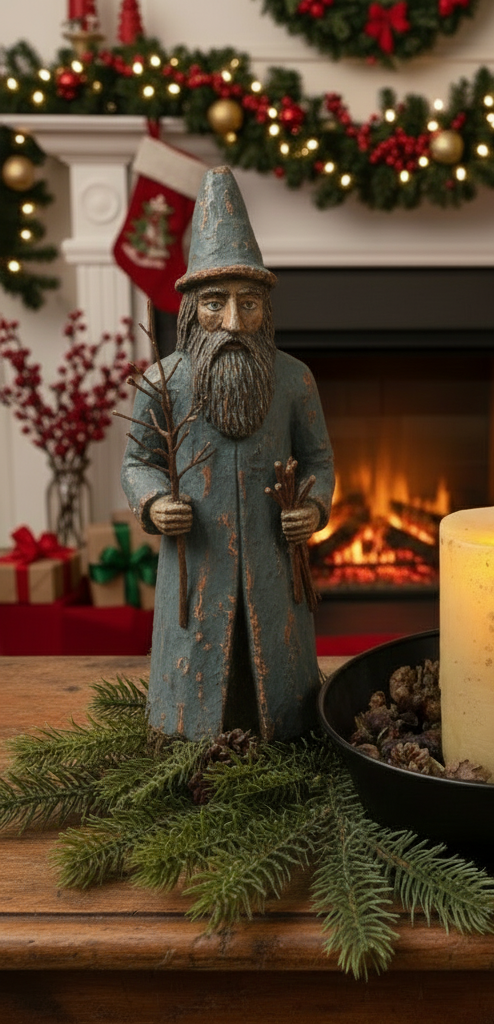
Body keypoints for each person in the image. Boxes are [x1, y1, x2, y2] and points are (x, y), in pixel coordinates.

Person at [122, 166, 335, 742]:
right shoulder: (161, 383)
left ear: (268, 308)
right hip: (197, 569)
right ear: (191, 309)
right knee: (200, 659)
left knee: (275, 664)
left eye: (250, 304)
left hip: (274, 567)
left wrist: (311, 511)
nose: (234, 322)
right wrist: (153, 504)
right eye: (216, 304)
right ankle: (184, 732)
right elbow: (137, 461)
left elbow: (318, 462)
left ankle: (287, 731)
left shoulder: (295, 382)